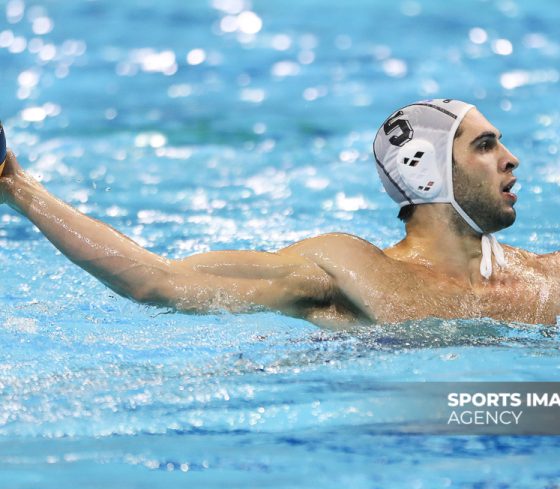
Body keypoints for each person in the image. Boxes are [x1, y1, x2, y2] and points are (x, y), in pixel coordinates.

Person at [0, 99, 558, 328]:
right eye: (485, 145)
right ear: (425, 170)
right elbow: (157, 282)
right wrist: (19, 188)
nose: (511, 158)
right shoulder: (352, 274)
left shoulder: (547, 281)